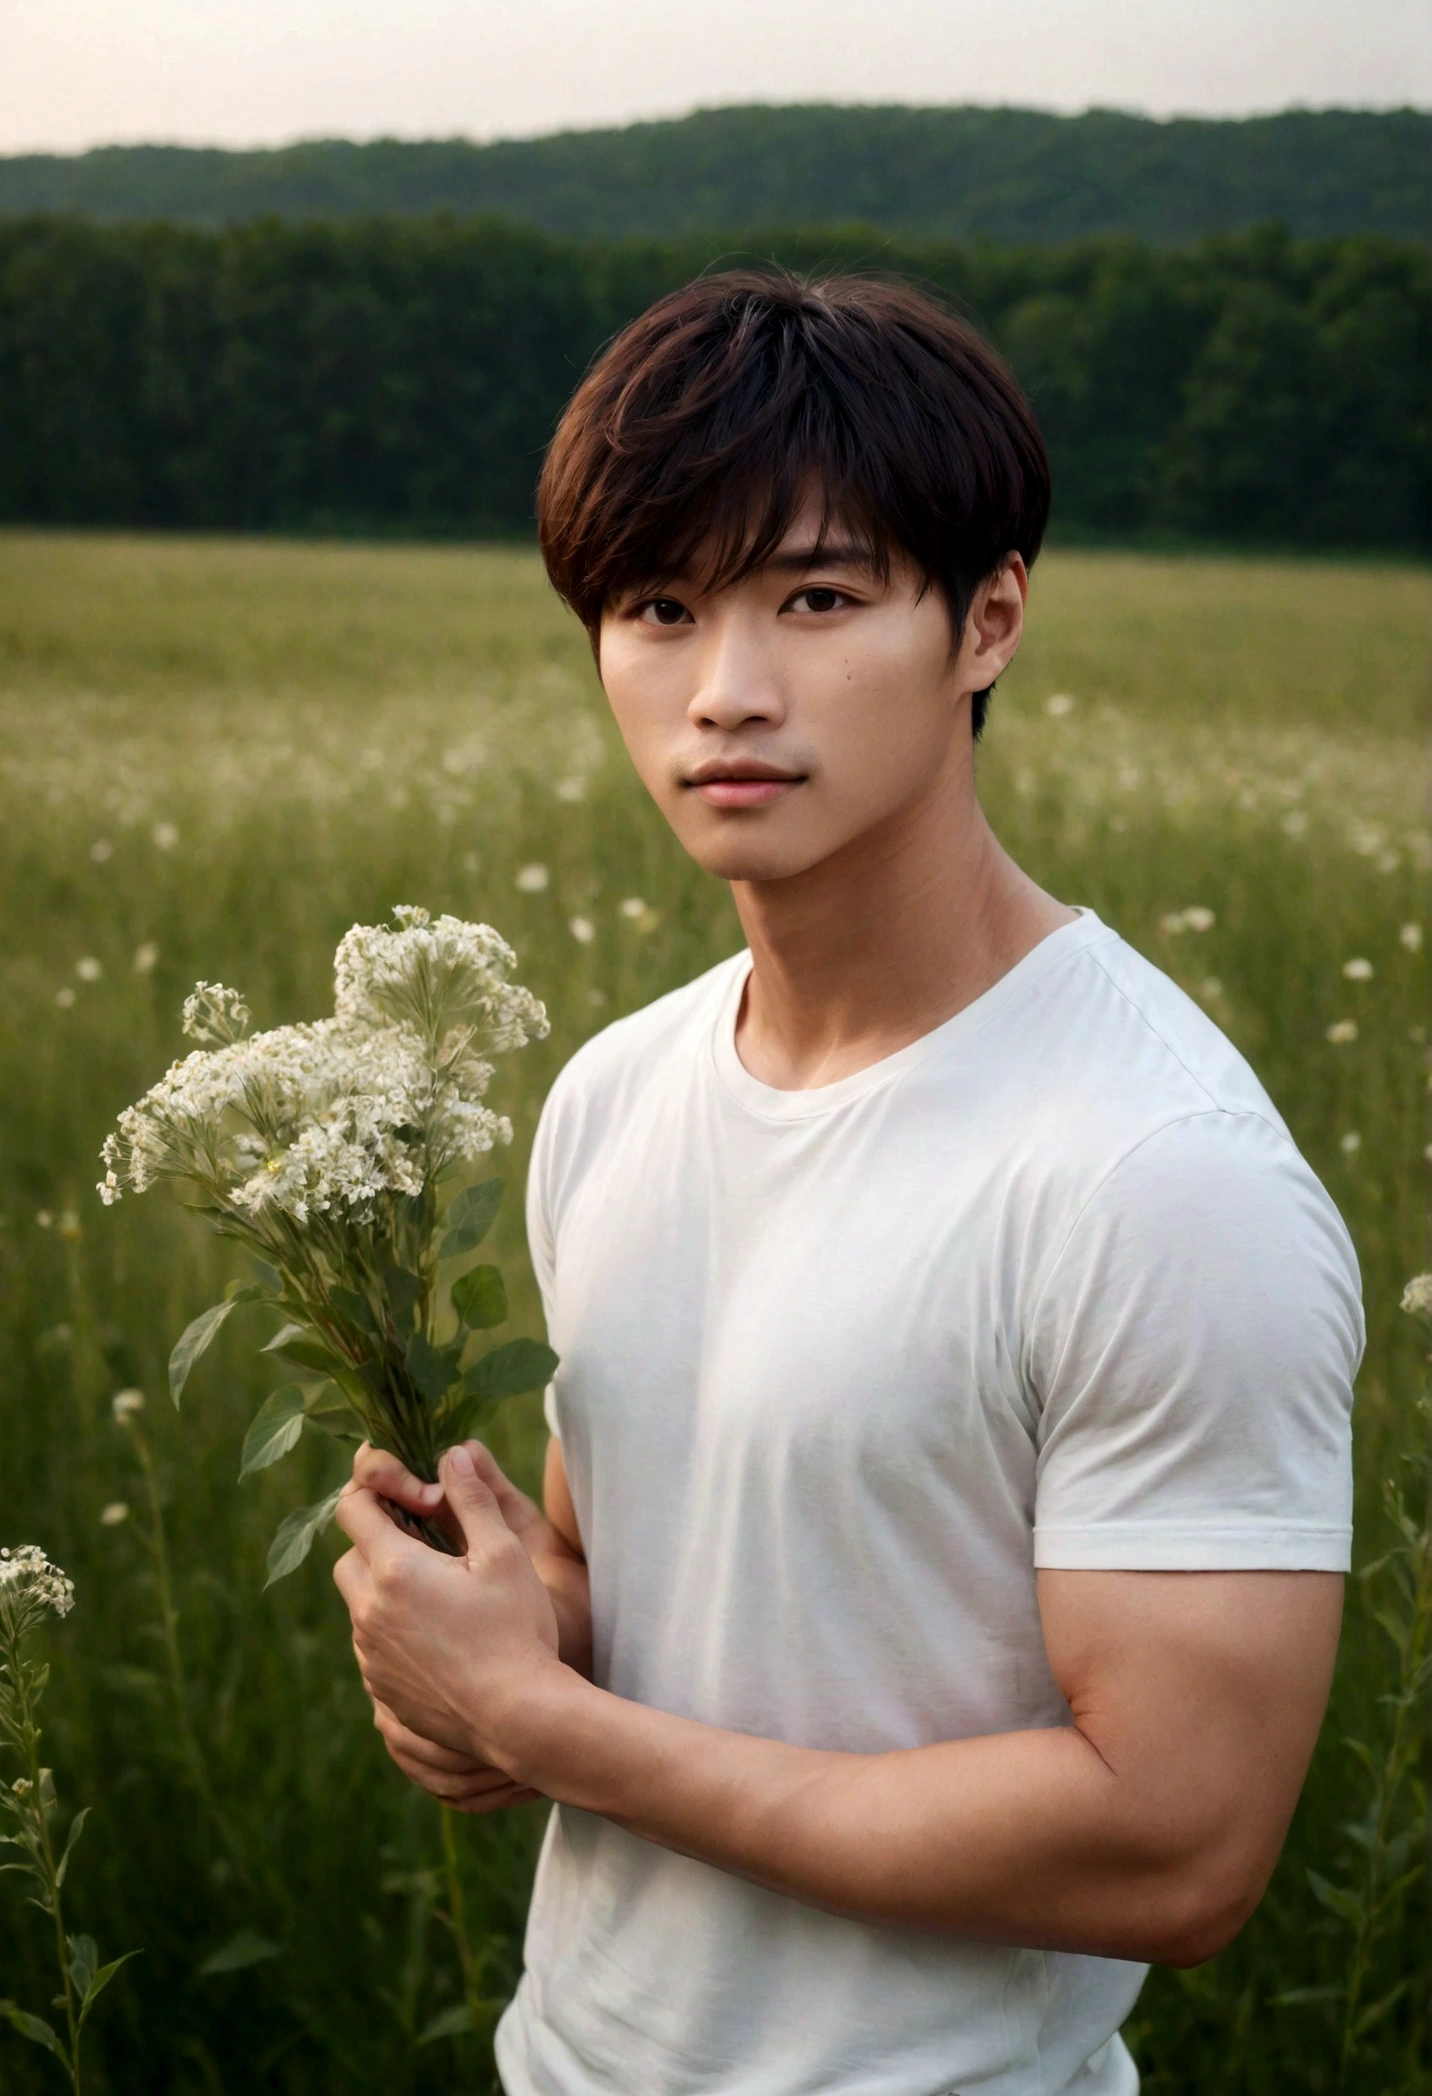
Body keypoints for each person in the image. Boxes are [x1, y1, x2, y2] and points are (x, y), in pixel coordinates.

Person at [332, 270, 1363, 2096]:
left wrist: (546, 1724)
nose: (727, 692)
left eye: (817, 599)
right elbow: (617, 1579)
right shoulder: (615, 1092)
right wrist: (480, 1638)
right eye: (660, 608)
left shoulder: (1155, 1177)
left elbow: (1179, 1850)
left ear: (988, 621)